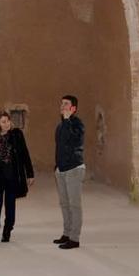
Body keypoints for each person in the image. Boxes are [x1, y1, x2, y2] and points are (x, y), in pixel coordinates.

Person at [0, 111, 34, 243]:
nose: (6, 124)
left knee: (10, 204)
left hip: (12, 174)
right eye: (3, 122)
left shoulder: (17, 134)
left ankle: (7, 231)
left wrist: (30, 173)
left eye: (8, 121)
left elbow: (24, 154)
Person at [54, 94, 85, 249]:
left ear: (73, 108)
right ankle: (66, 233)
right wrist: (57, 167)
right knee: (64, 204)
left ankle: (74, 238)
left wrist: (67, 120)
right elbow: (59, 147)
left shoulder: (77, 124)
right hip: (61, 170)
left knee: (74, 205)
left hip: (74, 169)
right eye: (61, 103)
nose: (62, 106)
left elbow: (72, 139)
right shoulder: (60, 125)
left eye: (66, 104)